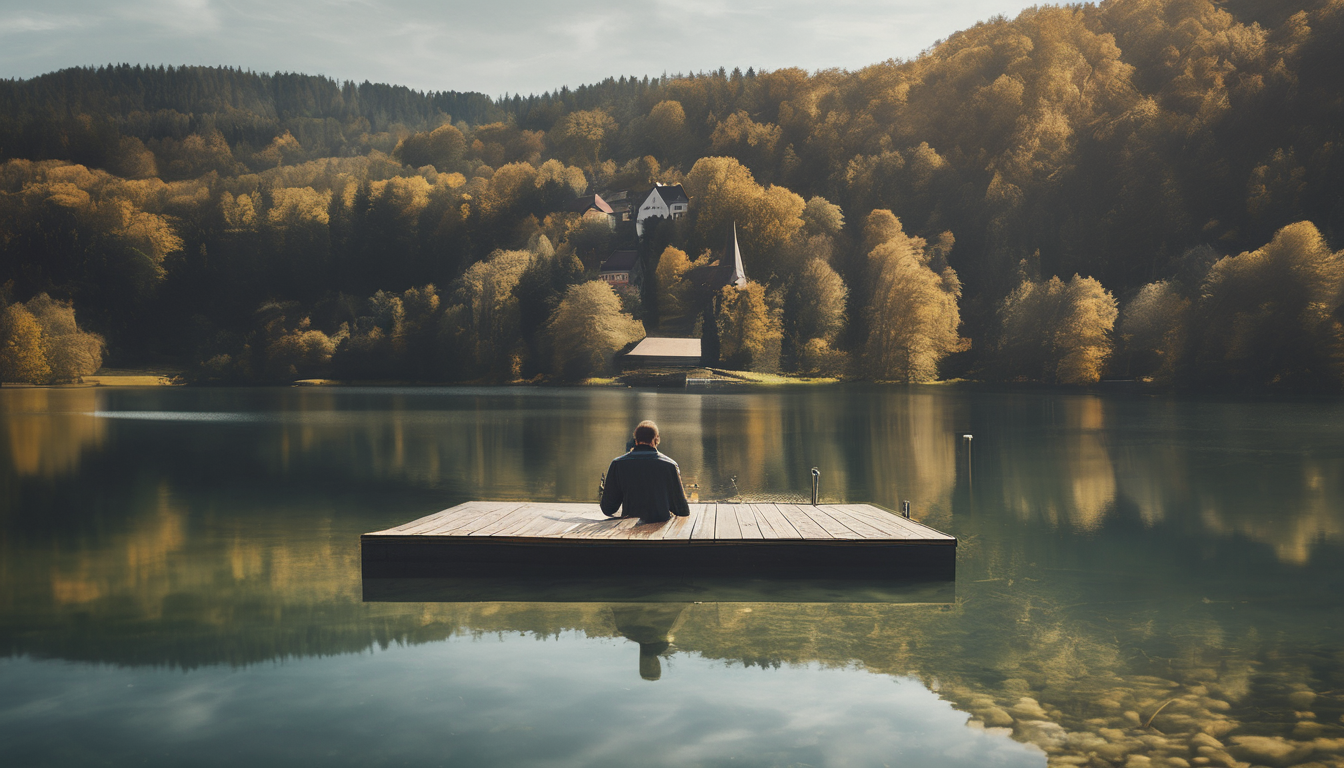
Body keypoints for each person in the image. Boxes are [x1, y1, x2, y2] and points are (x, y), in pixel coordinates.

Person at [600, 420, 691, 523]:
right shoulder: (669, 465)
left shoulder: (618, 464)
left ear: (636, 440)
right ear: (657, 439)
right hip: (660, 527)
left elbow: (608, 508)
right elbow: (682, 510)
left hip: (629, 529)